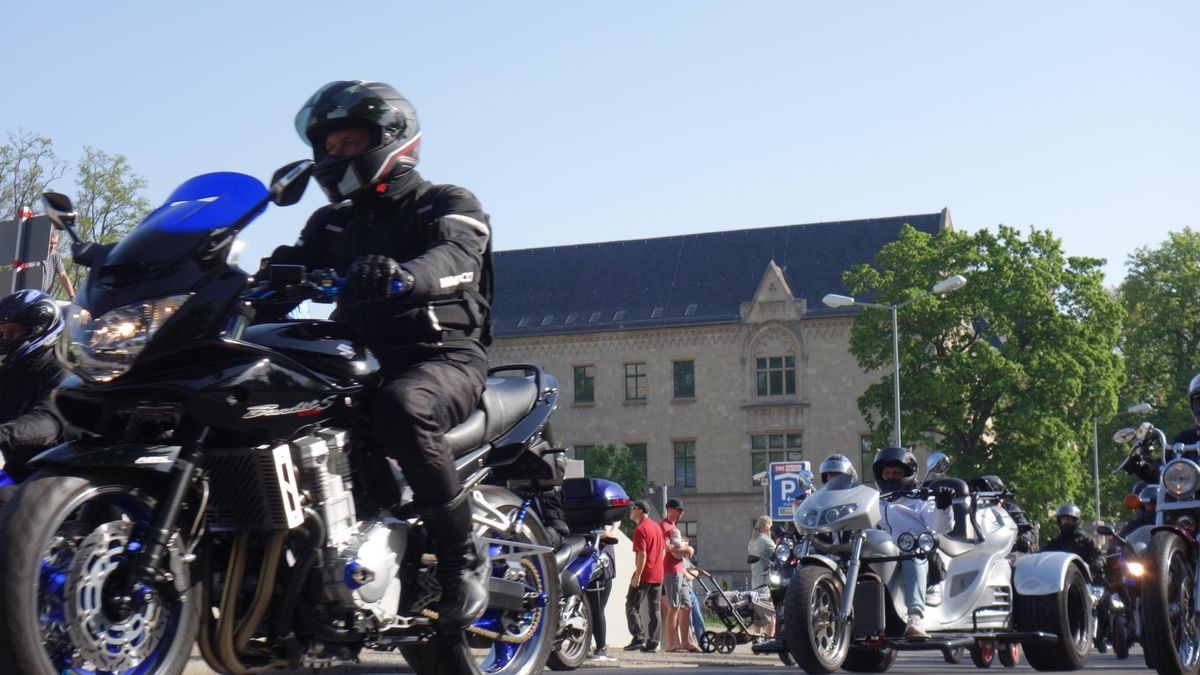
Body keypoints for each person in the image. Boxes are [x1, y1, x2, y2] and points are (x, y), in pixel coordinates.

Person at [265, 80, 493, 632]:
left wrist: (406, 276)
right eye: (331, 146)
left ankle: (463, 558)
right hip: (355, 361)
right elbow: (293, 266)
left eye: (350, 143)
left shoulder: (445, 201)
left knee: (401, 404)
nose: (337, 155)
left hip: (440, 358)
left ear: (392, 139)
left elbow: (457, 253)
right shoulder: (332, 223)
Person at [873, 446, 955, 639]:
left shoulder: (920, 500)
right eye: (887, 473)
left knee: (914, 555)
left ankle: (915, 617)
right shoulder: (873, 503)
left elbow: (940, 526)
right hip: (880, 556)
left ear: (908, 474)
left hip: (913, 554)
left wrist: (943, 507)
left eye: (897, 473)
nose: (891, 477)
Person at [0, 290, 71, 488]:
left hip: (50, 479)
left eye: (12, 332)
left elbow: (48, 422)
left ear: (38, 330)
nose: (5, 338)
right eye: (2, 332)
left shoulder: (61, 373)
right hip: (13, 472)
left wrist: (3, 433)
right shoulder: (9, 373)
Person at [660, 498, 700, 652]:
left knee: (686, 606)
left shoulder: (673, 526)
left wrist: (684, 548)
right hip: (670, 569)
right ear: (669, 509)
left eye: (682, 510)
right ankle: (672, 643)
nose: (681, 512)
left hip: (679, 569)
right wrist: (687, 550)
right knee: (674, 606)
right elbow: (668, 547)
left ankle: (686, 642)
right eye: (678, 510)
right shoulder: (664, 526)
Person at [626, 500, 664, 652]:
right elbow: (662, 551)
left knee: (631, 606)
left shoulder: (640, 529)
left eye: (633, 508)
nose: (631, 511)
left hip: (645, 575)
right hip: (658, 574)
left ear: (640, 510)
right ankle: (653, 643)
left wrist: (638, 575)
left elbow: (642, 554)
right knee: (655, 609)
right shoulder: (656, 527)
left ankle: (639, 637)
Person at [970, 475, 1038, 553]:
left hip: (1007, 552)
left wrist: (1025, 539)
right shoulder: (974, 510)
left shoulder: (1011, 509)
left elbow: (1029, 529)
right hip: (979, 551)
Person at [1042, 504, 1105, 579]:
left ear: (1075, 521)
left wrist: (1097, 564)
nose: (1065, 522)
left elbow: (1099, 555)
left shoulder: (1086, 540)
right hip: (1060, 581)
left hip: (1083, 580)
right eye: (1063, 520)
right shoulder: (1055, 542)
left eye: (1068, 520)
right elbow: (1042, 554)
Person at [585, 522, 619, 662]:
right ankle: (601, 648)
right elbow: (608, 535)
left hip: (585, 562)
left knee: (589, 610)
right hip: (599, 565)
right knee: (598, 609)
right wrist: (615, 526)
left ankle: (585, 647)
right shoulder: (599, 516)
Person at [40, 232, 75, 300]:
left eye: (55, 243)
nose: (52, 246)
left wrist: (72, 296)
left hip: (44, 298)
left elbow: (63, 276)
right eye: (50, 243)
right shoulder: (35, 255)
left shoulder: (55, 256)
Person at [747, 515, 774, 589]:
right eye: (770, 527)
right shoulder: (766, 541)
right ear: (766, 527)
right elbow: (779, 555)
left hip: (755, 583)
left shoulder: (752, 542)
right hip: (765, 583)